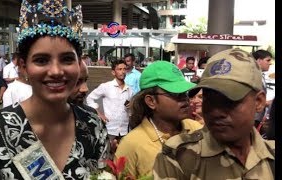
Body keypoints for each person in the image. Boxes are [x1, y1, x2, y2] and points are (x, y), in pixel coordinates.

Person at [0, 2, 110, 179]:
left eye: (67, 59)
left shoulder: (93, 125)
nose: (57, 71)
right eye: (41, 60)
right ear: (23, 66)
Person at [153, 48, 275, 179]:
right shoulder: (178, 156)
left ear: (259, 102)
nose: (216, 111)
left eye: (229, 100)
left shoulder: (272, 156)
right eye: (209, 99)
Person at [115, 61, 202, 178]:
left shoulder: (197, 129)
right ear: (151, 101)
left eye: (185, 93)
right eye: (175, 94)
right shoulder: (131, 144)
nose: (185, 99)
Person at [86, 60, 133, 142]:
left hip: (124, 131)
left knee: (122, 154)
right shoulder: (106, 86)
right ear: (113, 72)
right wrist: (98, 113)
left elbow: (130, 111)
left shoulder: (130, 90)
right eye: (120, 69)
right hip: (109, 129)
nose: (123, 71)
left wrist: (131, 106)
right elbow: (89, 98)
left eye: (124, 69)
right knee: (107, 153)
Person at [252, 50, 273, 134]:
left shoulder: (260, 75)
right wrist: (268, 103)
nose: (270, 63)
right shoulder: (253, 76)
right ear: (258, 61)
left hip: (258, 118)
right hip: (253, 118)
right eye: (267, 60)